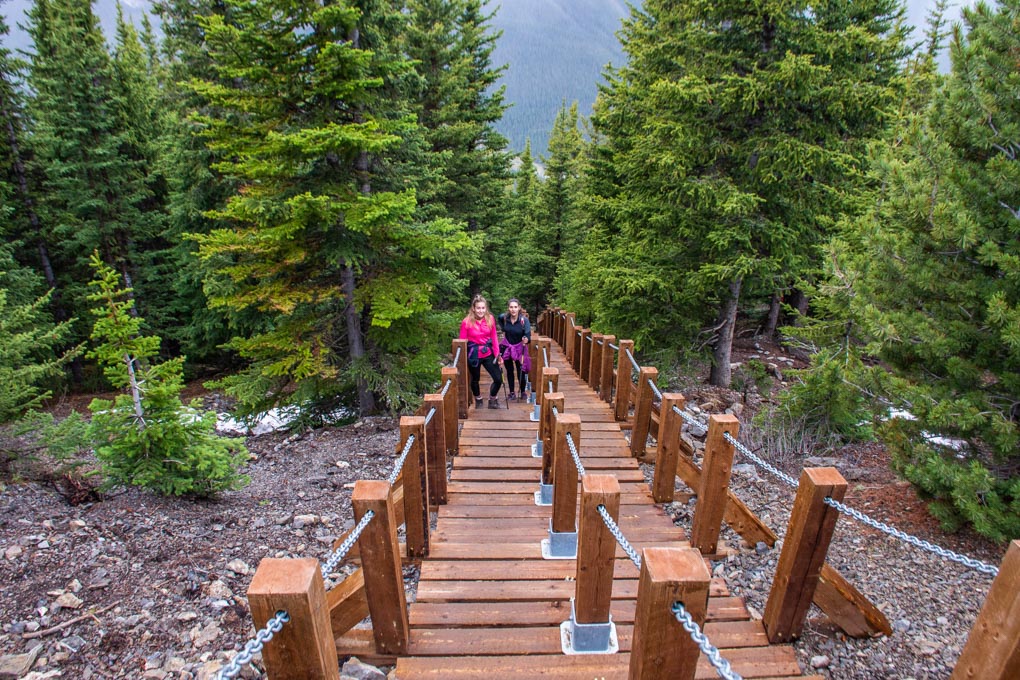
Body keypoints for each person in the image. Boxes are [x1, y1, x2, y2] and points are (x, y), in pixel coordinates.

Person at [459, 294, 503, 409]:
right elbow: (462, 342)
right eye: (478, 308)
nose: (481, 311)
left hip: (488, 352)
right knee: (475, 379)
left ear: (486, 308)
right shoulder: (466, 322)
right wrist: (460, 361)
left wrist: (498, 355)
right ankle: (478, 398)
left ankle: (492, 399)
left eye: (483, 308)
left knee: (498, 378)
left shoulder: (490, 319)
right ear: (473, 308)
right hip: (474, 354)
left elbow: (494, 338)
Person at [498, 298, 531, 400]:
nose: (513, 309)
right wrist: (503, 329)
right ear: (508, 308)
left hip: (519, 348)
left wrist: (526, 339)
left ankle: (522, 392)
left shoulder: (523, 320)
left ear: (519, 308)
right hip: (507, 347)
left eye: (515, 307)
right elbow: (499, 319)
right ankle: (512, 392)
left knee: (521, 369)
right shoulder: (504, 318)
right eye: (511, 307)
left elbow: (528, 334)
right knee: (509, 370)